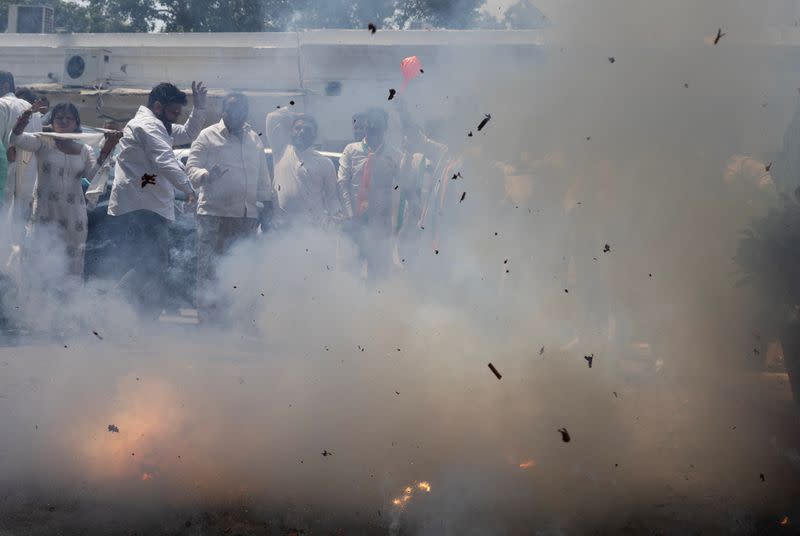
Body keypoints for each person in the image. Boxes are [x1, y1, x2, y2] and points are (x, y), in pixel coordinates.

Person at [107, 81, 207, 317]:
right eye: (173, 112)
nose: (175, 118)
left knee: (150, 264)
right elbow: (165, 160)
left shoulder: (159, 126)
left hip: (147, 206)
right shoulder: (148, 126)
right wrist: (189, 189)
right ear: (159, 106)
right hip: (143, 207)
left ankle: (134, 317)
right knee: (151, 265)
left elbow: (188, 133)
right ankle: (109, 307)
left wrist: (200, 107)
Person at [186, 92, 271, 323]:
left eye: (242, 109)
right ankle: (208, 325)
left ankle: (234, 325)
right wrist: (206, 175)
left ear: (247, 113)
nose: (237, 114)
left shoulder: (255, 139)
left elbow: (263, 178)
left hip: (246, 217)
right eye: (232, 109)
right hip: (213, 215)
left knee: (241, 272)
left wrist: (266, 207)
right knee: (210, 272)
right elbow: (190, 167)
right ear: (222, 110)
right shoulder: (207, 135)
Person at [10, 102, 121, 277]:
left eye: (69, 118)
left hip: (73, 218)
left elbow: (93, 177)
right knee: (40, 265)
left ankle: (68, 304)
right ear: (52, 122)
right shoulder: (42, 143)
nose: (63, 121)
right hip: (45, 214)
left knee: (70, 268)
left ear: (76, 124)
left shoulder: (85, 150)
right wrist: (23, 120)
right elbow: (16, 139)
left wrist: (106, 150)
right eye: (59, 118)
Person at [337, 107, 403, 280]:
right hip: (355, 221)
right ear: (364, 126)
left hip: (380, 224)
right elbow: (343, 184)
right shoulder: (351, 150)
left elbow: (402, 188)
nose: (372, 128)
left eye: (377, 125)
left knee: (379, 270)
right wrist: (350, 216)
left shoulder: (395, 155)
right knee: (351, 268)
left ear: (385, 128)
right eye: (369, 125)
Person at [266, 107, 338, 227]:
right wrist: (294, 115)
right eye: (297, 128)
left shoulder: (325, 163)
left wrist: (336, 220)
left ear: (314, 135)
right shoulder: (280, 151)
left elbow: (332, 198)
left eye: (308, 130)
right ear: (290, 132)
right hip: (281, 227)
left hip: (312, 228)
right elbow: (272, 117)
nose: (302, 132)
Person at [0, 71, 42, 231]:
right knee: (20, 230)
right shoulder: (31, 109)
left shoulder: (2, 104)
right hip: (28, 179)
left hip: (5, 177)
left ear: (4, 86)